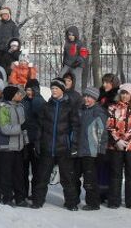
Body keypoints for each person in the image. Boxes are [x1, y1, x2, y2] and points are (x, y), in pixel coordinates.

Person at [31, 78, 80, 211]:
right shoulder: (46, 106)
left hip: (64, 148)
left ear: (62, 90)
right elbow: (40, 127)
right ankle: (37, 201)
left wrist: (74, 146)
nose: (53, 91)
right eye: (52, 88)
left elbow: (75, 128)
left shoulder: (70, 107)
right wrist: (38, 143)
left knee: (67, 179)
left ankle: (71, 203)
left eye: (56, 88)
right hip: (47, 147)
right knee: (42, 177)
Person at [106, 83, 131, 209]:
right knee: (115, 174)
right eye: (123, 93)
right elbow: (109, 125)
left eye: (127, 93)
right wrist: (117, 141)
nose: (124, 96)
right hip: (115, 147)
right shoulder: (112, 107)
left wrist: (125, 140)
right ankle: (114, 201)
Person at [0, 86, 27, 206]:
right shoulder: (3, 109)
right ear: (11, 95)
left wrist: (26, 143)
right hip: (6, 147)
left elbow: (25, 128)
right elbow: (4, 128)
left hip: (18, 147)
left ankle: (20, 198)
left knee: (19, 174)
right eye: (17, 94)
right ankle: (7, 197)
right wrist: (21, 128)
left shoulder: (20, 107)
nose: (20, 95)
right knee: (6, 174)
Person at [77, 87, 108, 210]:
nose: (86, 99)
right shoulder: (82, 110)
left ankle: (93, 203)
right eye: (85, 96)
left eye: (89, 97)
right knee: (77, 177)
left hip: (92, 151)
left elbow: (103, 133)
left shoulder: (98, 112)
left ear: (95, 99)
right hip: (81, 150)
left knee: (90, 179)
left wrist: (100, 151)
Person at [97, 73, 120, 201]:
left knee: (109, 165)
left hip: (111, 135)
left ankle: (108, 192)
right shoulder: (100, 95)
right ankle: (100, 191)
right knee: (100, 164)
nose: (105, 85)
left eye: (108, 82)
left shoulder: (116, 96)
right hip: (100, 133)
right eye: (103, 82)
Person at [21, 79, 44, 200]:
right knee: (23, 169)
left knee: (37, 171)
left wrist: (36, 97)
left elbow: (38, 112)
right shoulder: (23, 102)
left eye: (32, 90)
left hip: (37, 141)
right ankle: (23, 193)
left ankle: (36, 195)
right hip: (25, 140)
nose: (29, 92)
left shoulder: (40, 101)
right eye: (28, 89)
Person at [59, 26, 89, 91]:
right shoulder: (67, 43)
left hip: (77, 65)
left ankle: (77, 94)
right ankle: (62, 91)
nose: (70, 36)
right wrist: (64, 63)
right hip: (68, 64)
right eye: (69, 35)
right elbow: (65, 54)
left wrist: (78, 61)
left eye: (72, 35)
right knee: (61, 76)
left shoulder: (80, 43)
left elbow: (83, 54)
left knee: (76, 80)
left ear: (75, 35)